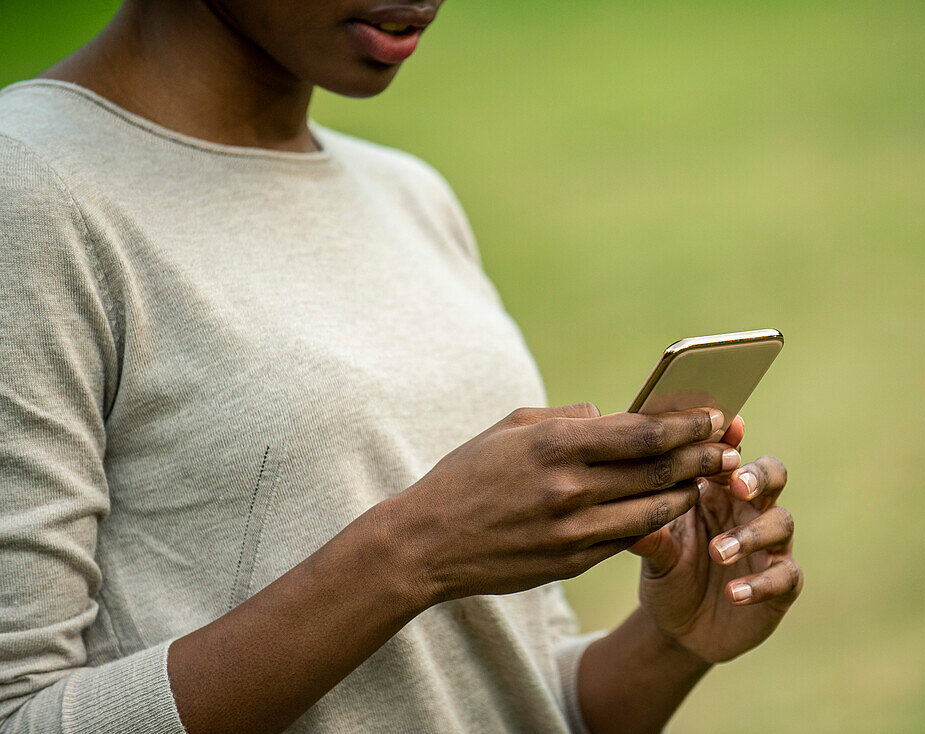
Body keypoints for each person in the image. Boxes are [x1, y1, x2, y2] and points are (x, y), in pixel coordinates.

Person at [0, 1, 803, 732]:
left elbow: (511, 697)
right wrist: (414, 550)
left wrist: (673, 641)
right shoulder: (31, 186)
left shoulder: (411, 195)